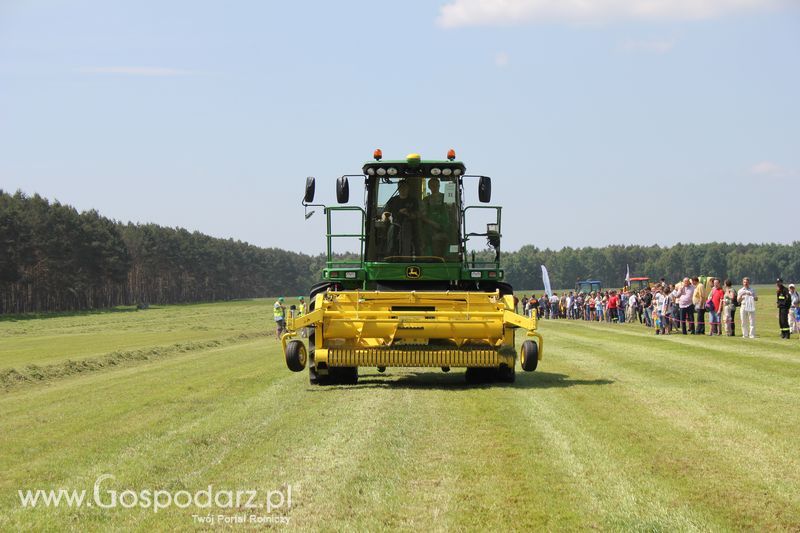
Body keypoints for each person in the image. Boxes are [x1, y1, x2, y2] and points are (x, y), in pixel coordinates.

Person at [383, 179, 420, 256]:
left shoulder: (413, 200)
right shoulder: (393, 200)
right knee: (392, 231)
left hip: (411, 226)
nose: (402, 189)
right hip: (395, 225)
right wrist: (386, 218)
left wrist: (408, 214)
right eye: (400, 187)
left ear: (408, 188)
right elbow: (385, 213)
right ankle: (391, 255)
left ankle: (411, 255)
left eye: (404, 187)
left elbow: (417, 214)